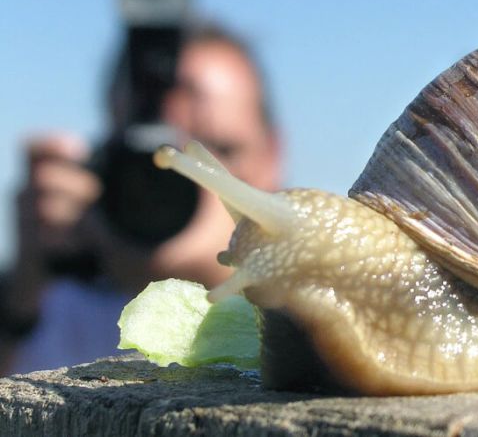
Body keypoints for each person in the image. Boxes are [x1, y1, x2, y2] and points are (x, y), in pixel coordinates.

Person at [0, 25, 282, 375]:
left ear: (273, 154)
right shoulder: (55, 298)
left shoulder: (302, 292)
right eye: (154, 160)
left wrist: (238, 273)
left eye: (222, 150)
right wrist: (18, 298)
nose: (184, 180)